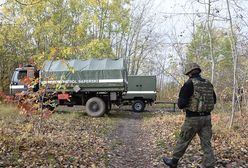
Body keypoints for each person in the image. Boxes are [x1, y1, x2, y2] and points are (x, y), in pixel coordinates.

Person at [163, 63, 216, 168]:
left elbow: (181, 105)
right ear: (198, 71)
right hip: (206, 118)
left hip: (192, 119)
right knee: (206, 143)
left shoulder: (189, 84)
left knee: (183, 139)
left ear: (189, 73)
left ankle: (173, 162)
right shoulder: (208, 83)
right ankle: (208, 165)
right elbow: (214, 100)